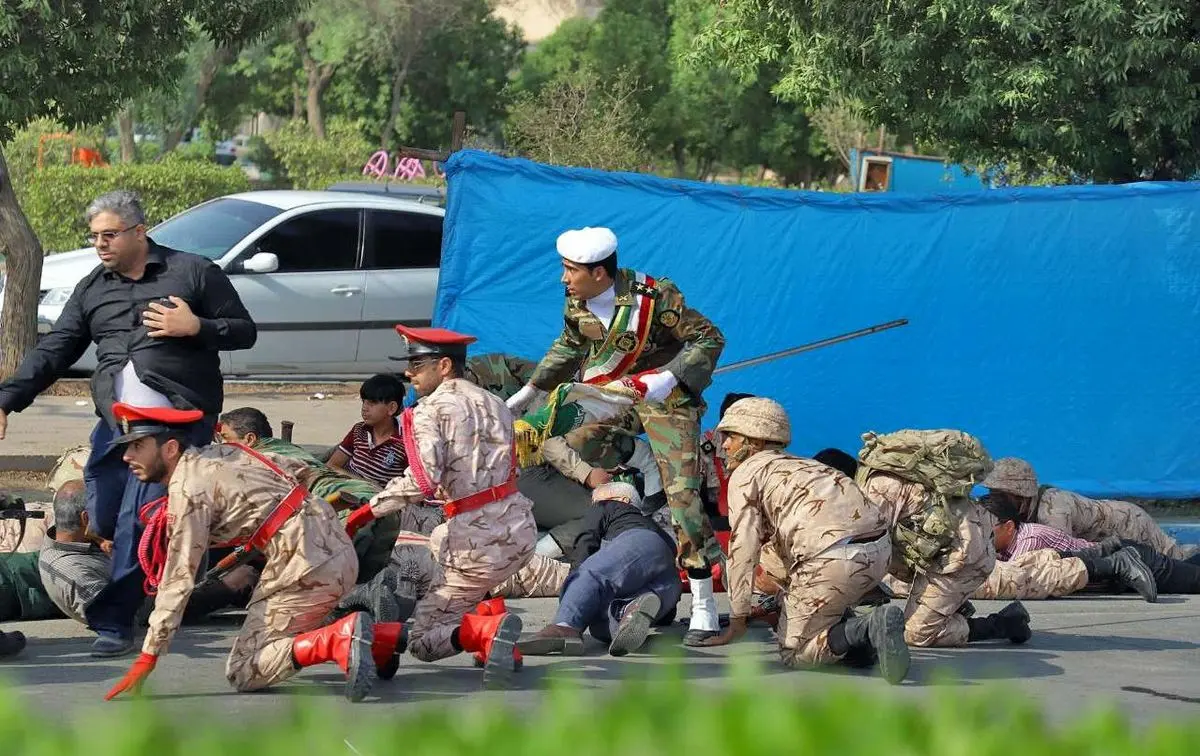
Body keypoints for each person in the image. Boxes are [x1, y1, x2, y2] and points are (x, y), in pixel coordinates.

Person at [0, 190, 256, 657]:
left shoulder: (193, 271)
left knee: (137, 520)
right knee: (101, 514)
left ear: (139, 231)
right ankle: (165, 573)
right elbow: (56, 348)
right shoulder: (93, 288)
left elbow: (244, 330)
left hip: (172, 427)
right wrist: (7, 400)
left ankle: (115, 625)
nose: (100, 244)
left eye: (110, 235)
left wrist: (196, 327)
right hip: (116, 425)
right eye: (95, 236)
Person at [505, 226, 727, 645]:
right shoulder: (577, 299)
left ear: (599, 273)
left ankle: (703, 603)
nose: (563, 278)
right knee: (571, 441)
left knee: (684, 497)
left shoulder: (655, 297)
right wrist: (530, 391)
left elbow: (709, 338)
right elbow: (569, 345)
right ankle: (647, 473)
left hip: (666, 400)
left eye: (571, 270)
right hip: (614, 397)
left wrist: (667, 378)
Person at [102, 402, 383, 703]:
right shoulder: (227, 452)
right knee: (293, 625)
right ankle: (387, 639)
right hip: (336, 549)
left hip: (303, 564)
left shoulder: (188, 491)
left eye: (137, 446)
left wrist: (149, 654)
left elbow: (178, 579)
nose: (127, 456)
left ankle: (338, 639)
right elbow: (298, 469)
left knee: (244, 669)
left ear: (170, 449)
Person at [342, 325, 537, 689]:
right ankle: (492, 628)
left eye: (417, 364)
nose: (408, 373)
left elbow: (422, 482)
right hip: (519, 527)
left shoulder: (428, 410)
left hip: (475, 540)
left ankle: (487, 632)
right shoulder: (494, 402)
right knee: (448, 565)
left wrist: (367, 511)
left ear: (444, 366)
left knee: (423, 641)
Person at [701, 399, 909, 684]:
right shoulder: (807, 465)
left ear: (755, 439)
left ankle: (866, 628)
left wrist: (737, 618)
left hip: (832, 561)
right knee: (779, 556)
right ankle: (855, 639)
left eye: (730, 437)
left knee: (796, 653)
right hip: (879, 554)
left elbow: (743, 549)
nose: (723, 446)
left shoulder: (747, 474)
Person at [856, 430, 1032, 647]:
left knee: (915, 634)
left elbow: (862, 553)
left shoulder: (875, 489)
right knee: (883, 550)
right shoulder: (878, 480)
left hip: (964, 556)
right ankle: (951, 605)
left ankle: (1006, 623)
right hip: (943, 547)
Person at [216, 407, 415, 582]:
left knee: (326, 582)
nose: (221, 446)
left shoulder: (255, 459)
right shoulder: (287, 448)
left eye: (225, 438)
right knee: (362, 578)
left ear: (249, 439)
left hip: (342, 505)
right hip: (376, 501)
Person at [519, 482, 681, 657]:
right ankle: (626, 611)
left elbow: (586, 542)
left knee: (590, 574)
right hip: (668, 579)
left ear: (623, 500)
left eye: (595, 501)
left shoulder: (608, 506)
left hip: (637, 543)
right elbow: (668, 614)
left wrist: (572, 593)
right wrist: (666, 613)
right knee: (597, 624)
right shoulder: (655, 527)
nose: (593, 506)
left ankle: (564, 627)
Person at [983, 494, 1200, 599]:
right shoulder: (1008, 543)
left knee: (1194, 580)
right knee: (1190, 569)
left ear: (1009, 527)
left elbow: (1018, 579)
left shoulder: (1030, 540)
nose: (980, 536)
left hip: (1135, 559)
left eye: (986, 530)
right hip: (1119, 569)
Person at [982, 457, 1190, 559]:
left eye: (999, 493)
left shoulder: (1053, 508)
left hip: (1129, 525)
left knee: (1175, 558)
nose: (994, 498)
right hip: (1114, 533)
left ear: (1019, 494)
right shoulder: (1027, 509)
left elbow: (1059, 558)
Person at [328, 374, 409, 488]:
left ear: (391, 408)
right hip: (345, 488)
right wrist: (365, 483)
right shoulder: (359, 430)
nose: (364, 408)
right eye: (363, 402)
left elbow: (410, 484)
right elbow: (332, 465)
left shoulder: (405, 443)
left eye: (371, 403)